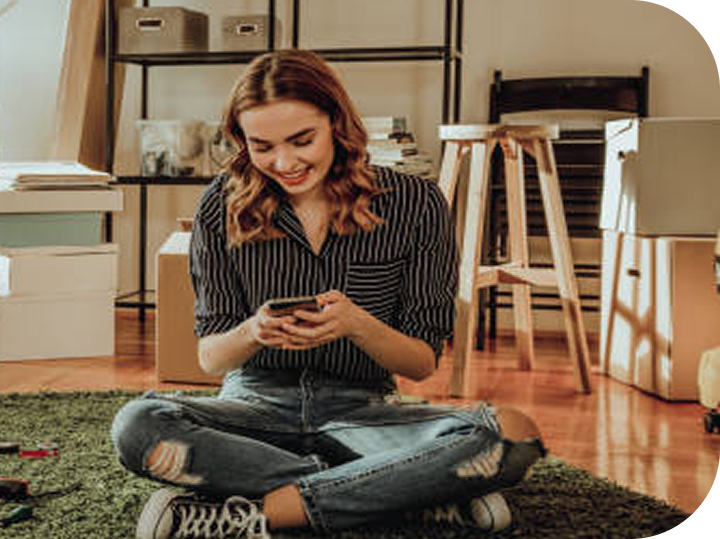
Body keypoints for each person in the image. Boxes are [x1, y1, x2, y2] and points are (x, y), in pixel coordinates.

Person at [110, 50, 547, 539]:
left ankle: (267, 511)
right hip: (251, 415)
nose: (285, 162)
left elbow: (421, 362)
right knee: (138, 424)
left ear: (337, 124)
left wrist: (357, 323)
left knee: (510, 434)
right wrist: (254, 330)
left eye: (302, 140)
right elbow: (212, 357)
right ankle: (401, 495)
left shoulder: (416, 204)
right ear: (241, 142)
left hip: (366, 415)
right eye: (262, 145)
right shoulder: (220, 203)